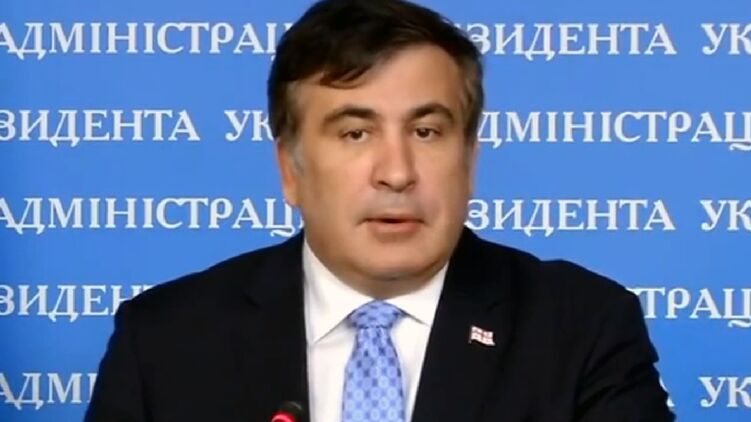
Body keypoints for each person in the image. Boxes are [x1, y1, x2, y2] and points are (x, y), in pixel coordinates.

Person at [85, 0, 675, 421]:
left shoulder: (581, 330)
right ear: (290, 168)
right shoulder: (165, 342)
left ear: (470, 159)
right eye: (355, 133)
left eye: (426, 131)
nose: (397, 172)